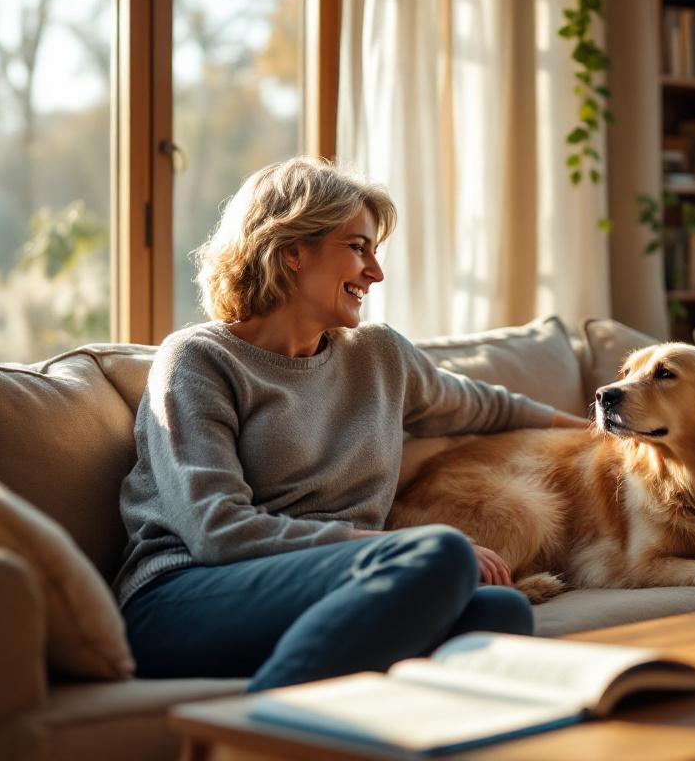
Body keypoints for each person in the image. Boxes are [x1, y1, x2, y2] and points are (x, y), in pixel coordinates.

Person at [114, 156, 587, 691]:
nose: (375, 272)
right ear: (293, 250)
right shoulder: (198, 360)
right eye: (358, 248)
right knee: (443, 553)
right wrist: (388, 548)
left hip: (333, 585)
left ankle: (330, 708)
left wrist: (596, 432)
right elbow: (217, 531)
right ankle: (258, 726)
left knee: (502, 611)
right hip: (185, 595)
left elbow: (485, 406)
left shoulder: (378, 355)